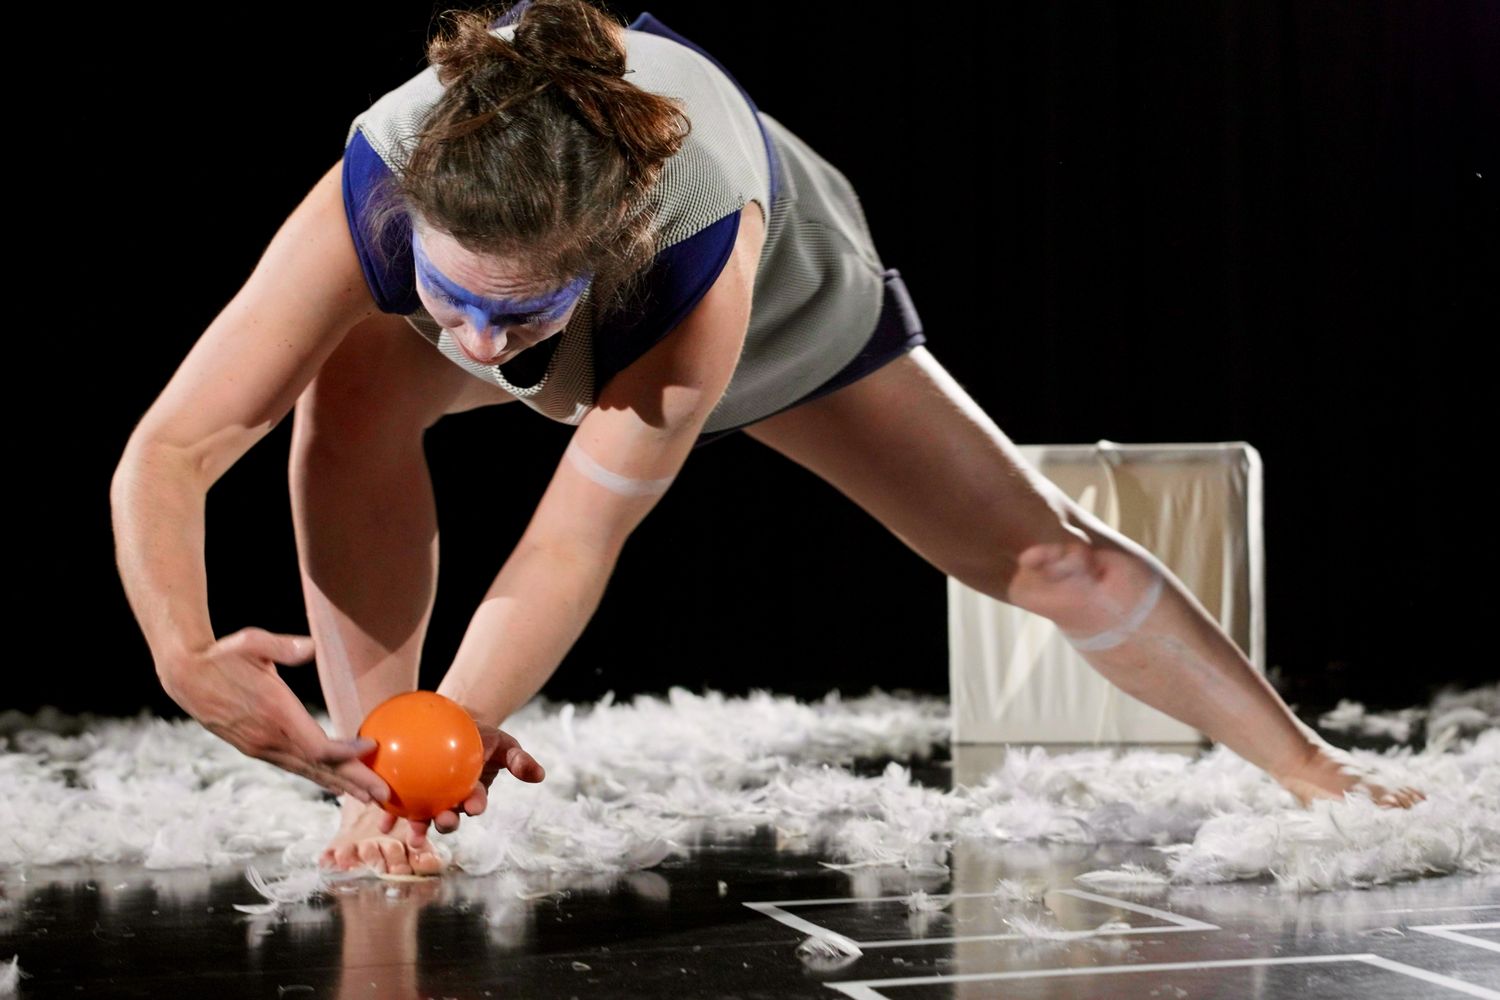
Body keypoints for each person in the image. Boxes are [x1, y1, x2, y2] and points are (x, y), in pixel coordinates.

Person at [110, 0, 1424, 878]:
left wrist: (464, 723)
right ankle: (371, 778)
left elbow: (573, 541)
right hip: (550, 270)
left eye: (516, 316)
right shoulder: (379, 179)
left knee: (1046, 557)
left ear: (606, 259)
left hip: (789, 307)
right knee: (350, 392)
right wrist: (186, 655)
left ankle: (1316, 771)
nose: (476, 346)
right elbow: (171, 448)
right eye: (449, 297)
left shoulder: (700, 255)